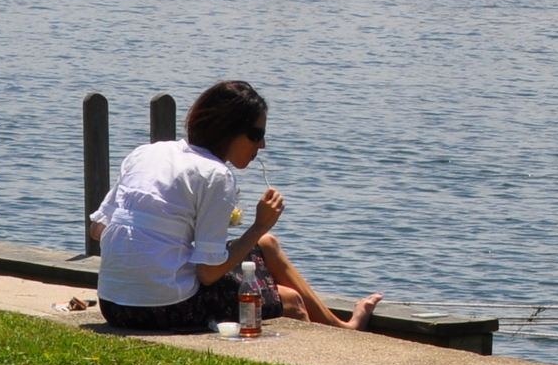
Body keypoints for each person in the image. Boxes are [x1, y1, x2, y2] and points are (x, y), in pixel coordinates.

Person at [90, 80, 379, 333]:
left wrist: (166, 241)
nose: (262, 145)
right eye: (255, 135)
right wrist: (260, 223)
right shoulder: (215, 174)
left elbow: (98, 229)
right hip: (161, 308)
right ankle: (333, 352)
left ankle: (342, 327)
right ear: (227, 130)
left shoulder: (147, 153)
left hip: (112, 303)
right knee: (288, 300)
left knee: (266, 244)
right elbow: (208, 273)